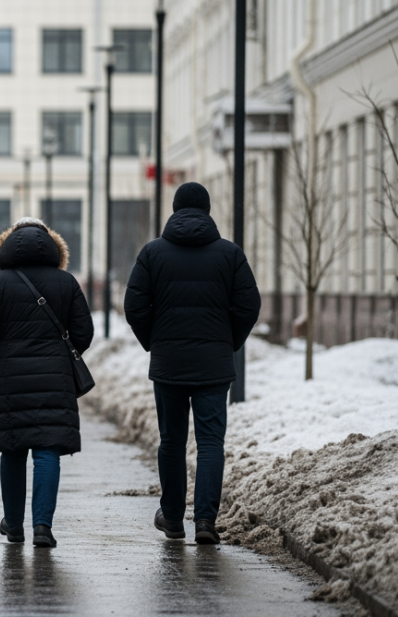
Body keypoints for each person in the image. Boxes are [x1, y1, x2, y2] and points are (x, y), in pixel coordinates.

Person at [124, 182, 261, 545]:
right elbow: (249, 305)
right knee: (211, 442)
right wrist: (227, 342)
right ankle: (205, 521)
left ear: (174, 209)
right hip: (213, 364)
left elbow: (134, 306)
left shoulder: (152, 253)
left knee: (171, 441)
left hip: (169, 363)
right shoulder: (229, 254)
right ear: (208, 210)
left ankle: (172, 518)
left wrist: (155, 341)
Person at [0, 218, 92, 548]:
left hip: (8, 377)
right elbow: (84, 332)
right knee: (47, 449)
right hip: (55, 377)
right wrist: (64, 357)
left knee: (13, 448)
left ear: (5, 247)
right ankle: (42, 527)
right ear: (53, 247)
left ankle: (13, 524)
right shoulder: (66, 282)